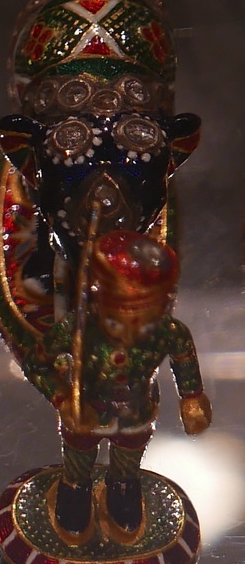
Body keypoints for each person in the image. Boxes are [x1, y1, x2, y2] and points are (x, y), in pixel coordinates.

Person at [32, 231, 208, 541]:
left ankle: (123, 489)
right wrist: (62, 398)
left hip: (136, 411)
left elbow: (183, 359)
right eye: (118, 320)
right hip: (85, 409)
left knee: (128, 460)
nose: (130, 333)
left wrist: (191, 396)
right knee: (80, 456)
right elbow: (37, 363)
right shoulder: (77, 328)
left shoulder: (169, 332)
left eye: (145, 320)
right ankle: (75, 489)